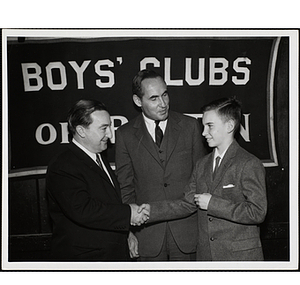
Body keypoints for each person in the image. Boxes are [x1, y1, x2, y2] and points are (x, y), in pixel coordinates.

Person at [149, 97, 268, 261]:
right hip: (207, 257)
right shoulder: (202, 164)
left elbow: (257, 212)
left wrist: (213, 204)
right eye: (203, 126)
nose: (204, 132)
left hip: (240, 258)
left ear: (229, 126)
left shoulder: (248, 163)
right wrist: (147, 211)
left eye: (209, 126)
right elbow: (187, 202)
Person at [115, 69, 205, 261]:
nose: (163, 104)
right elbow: (125, 188)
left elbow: (201, 181)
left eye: (165, 95)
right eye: (154, 98)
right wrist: (129, 232)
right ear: (138, 101)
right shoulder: (125, 134)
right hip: (147, 237)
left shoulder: (190, 126)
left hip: (188, 235)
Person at [46, 99, 150, 261]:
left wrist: (126, 234)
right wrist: (129, 214)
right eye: (104, 128)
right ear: (81, 131)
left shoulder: (99, 157)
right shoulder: (63, 164)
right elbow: (83, 210)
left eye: (110, 126)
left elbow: (108, 204)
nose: (110, 134)